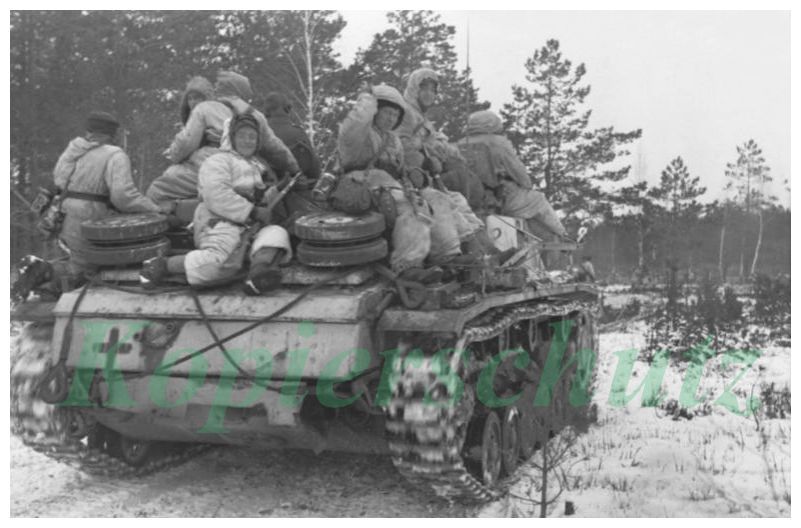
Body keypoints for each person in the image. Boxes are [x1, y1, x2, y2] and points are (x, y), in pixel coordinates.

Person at [12, 111, 169, 302]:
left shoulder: (74, 150)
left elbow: (59, 181)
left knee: (77, 261)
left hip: (64, 215)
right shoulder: (115, 155)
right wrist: (154, 208)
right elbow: (123, 196)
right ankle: (47, 279)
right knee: (87, 269)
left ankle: (45, 286)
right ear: (112, 133)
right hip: (89, 216)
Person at [140, 113, 294, 295]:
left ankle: (257, 275)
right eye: (242, 136)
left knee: (276, 235)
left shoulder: (255, 166)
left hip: (249, 226)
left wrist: (279, 188)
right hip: (219, 223)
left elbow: (259, 200)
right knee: (217, 263)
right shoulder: (217, 161)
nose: (248, 141)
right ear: (232, 137)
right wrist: (252, 211)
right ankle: (163, 265)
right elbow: (216, 195)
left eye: (252, 137)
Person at [332, 84, 449, 282]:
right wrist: (368, 98)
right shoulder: (359, 134)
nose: (391, 118)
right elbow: (358, 119)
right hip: (360, 184)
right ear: (375, 111)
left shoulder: (393, 140)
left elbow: (401, 170)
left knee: (435, 199)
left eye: (395, 115)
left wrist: (414, 177)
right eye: (387, 112)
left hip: (390, 185)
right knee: (411, 207)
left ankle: (447, 255)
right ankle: (406, 266)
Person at [146, 72, 300, 209]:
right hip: (249, 170)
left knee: (157, 190)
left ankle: (176, 224)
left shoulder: (205, 108)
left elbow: (185, 144)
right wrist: (295, 170)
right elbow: (276, 149)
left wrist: (174, 155)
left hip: (212, 165)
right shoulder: (256, 115)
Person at [395, 68, 499, 259]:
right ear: (414, 89)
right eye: (424, 89)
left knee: (458, 201)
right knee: (446, 202)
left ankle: (483, 250)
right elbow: (400, 145)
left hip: (424, 175)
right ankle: (467, 254)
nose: (429, 94)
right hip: (408, 176)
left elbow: (433, 140)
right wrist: (427, 153)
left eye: (433, 90)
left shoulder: (421, 117)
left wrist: (445, 150)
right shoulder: (406, 113)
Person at [456, 109, 568, 240]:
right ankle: (562, 235)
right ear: (491, 124)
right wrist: (526, 185)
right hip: (503, 198)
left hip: (469, 199)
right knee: (538, 199)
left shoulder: (459, 144)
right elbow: (518, 172)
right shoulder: (498, 142)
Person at [263, 92, 326, 229]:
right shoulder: (298, 133)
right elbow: (315, 171)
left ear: (267, 111)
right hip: (297, 198)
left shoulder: (259, 134)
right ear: (287, 109)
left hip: (267, 202)